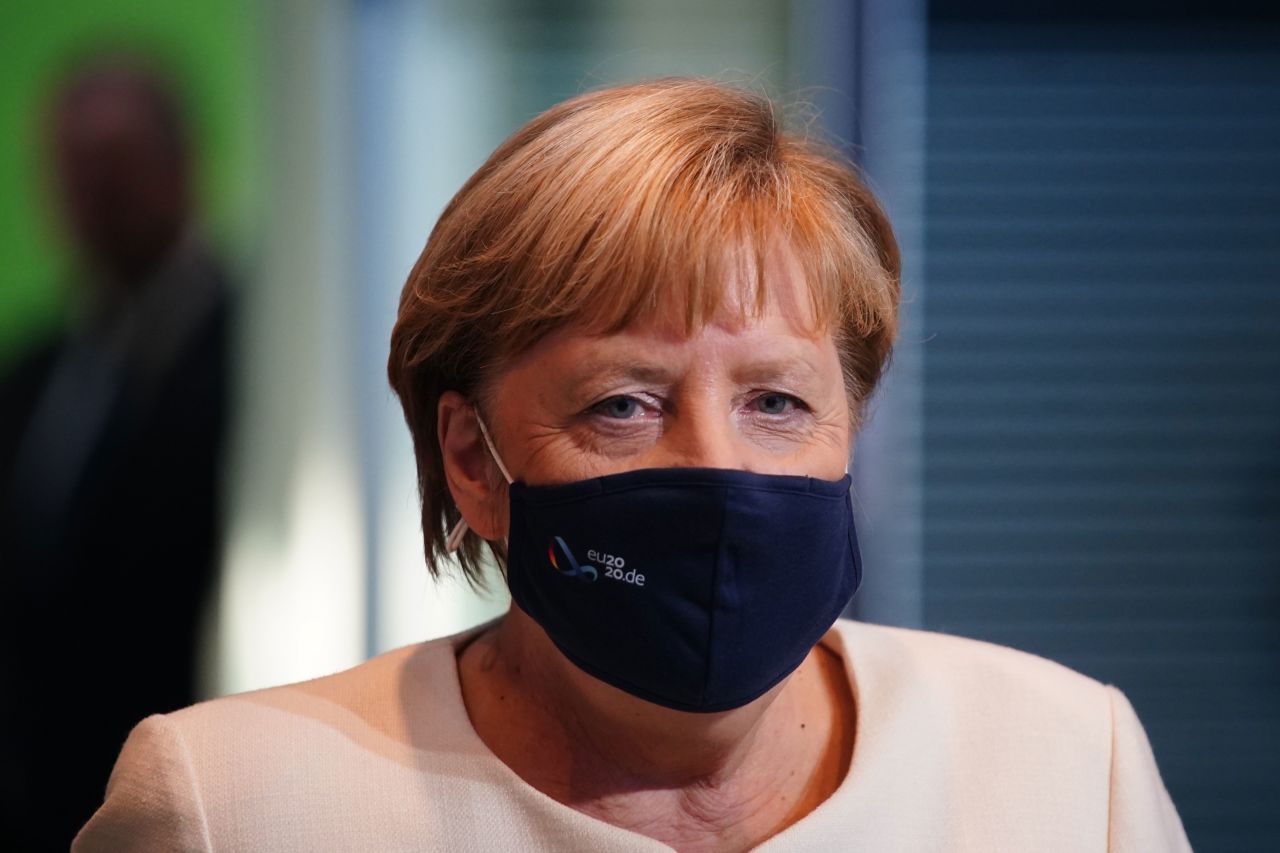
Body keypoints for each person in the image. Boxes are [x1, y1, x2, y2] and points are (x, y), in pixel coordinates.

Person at [73, 78, 1190, 851]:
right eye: (622, 404)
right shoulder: (238, 804)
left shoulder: (1060, 765)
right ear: (472, 460)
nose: (713, 464)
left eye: (776, 400)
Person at [0, 56, 231, 850]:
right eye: (74, 170)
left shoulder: (254, 351)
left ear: (178, 165)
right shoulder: (39, 370)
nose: (93, 196)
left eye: (116, 166)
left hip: (194, 773)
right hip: (44, 789)